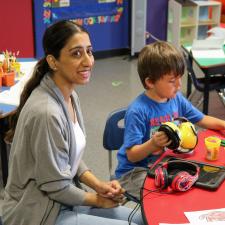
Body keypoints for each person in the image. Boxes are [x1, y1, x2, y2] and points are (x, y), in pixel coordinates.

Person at [2, 20, 144, 225]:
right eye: (76, 53)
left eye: (89, 51)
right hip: (38, 212)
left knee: (141, 220)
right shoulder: (47, 113)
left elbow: (69, 158)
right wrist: (98, 201)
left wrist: (98, 185)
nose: (88, 61)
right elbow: (55, 186)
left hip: (62, 200)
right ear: (53, 61)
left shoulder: (69, 95)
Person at [115, 41, 225, 199]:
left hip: (163, 163)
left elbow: (202, 119)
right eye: (172, 81)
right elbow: (132, 155)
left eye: (180, 78)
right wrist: (154, 143)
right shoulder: (138, 111)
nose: (179, 85)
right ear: (150, 82)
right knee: (167, 197)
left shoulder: (175, 99)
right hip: (134, 172)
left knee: (195, 182)